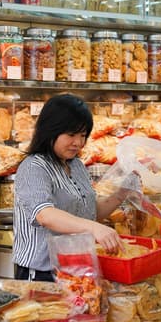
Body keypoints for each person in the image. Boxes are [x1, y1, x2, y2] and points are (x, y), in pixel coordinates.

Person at [13, 93, 126, 281]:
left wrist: (123, 193)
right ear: (51, 130)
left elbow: (89, 212)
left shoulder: (76, 165)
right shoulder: (33, 167)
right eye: (71, 134)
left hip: (77, 270)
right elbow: (45, 215)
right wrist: (94, 229)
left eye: (83, 135)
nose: (78, 143)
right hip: (43, 274)